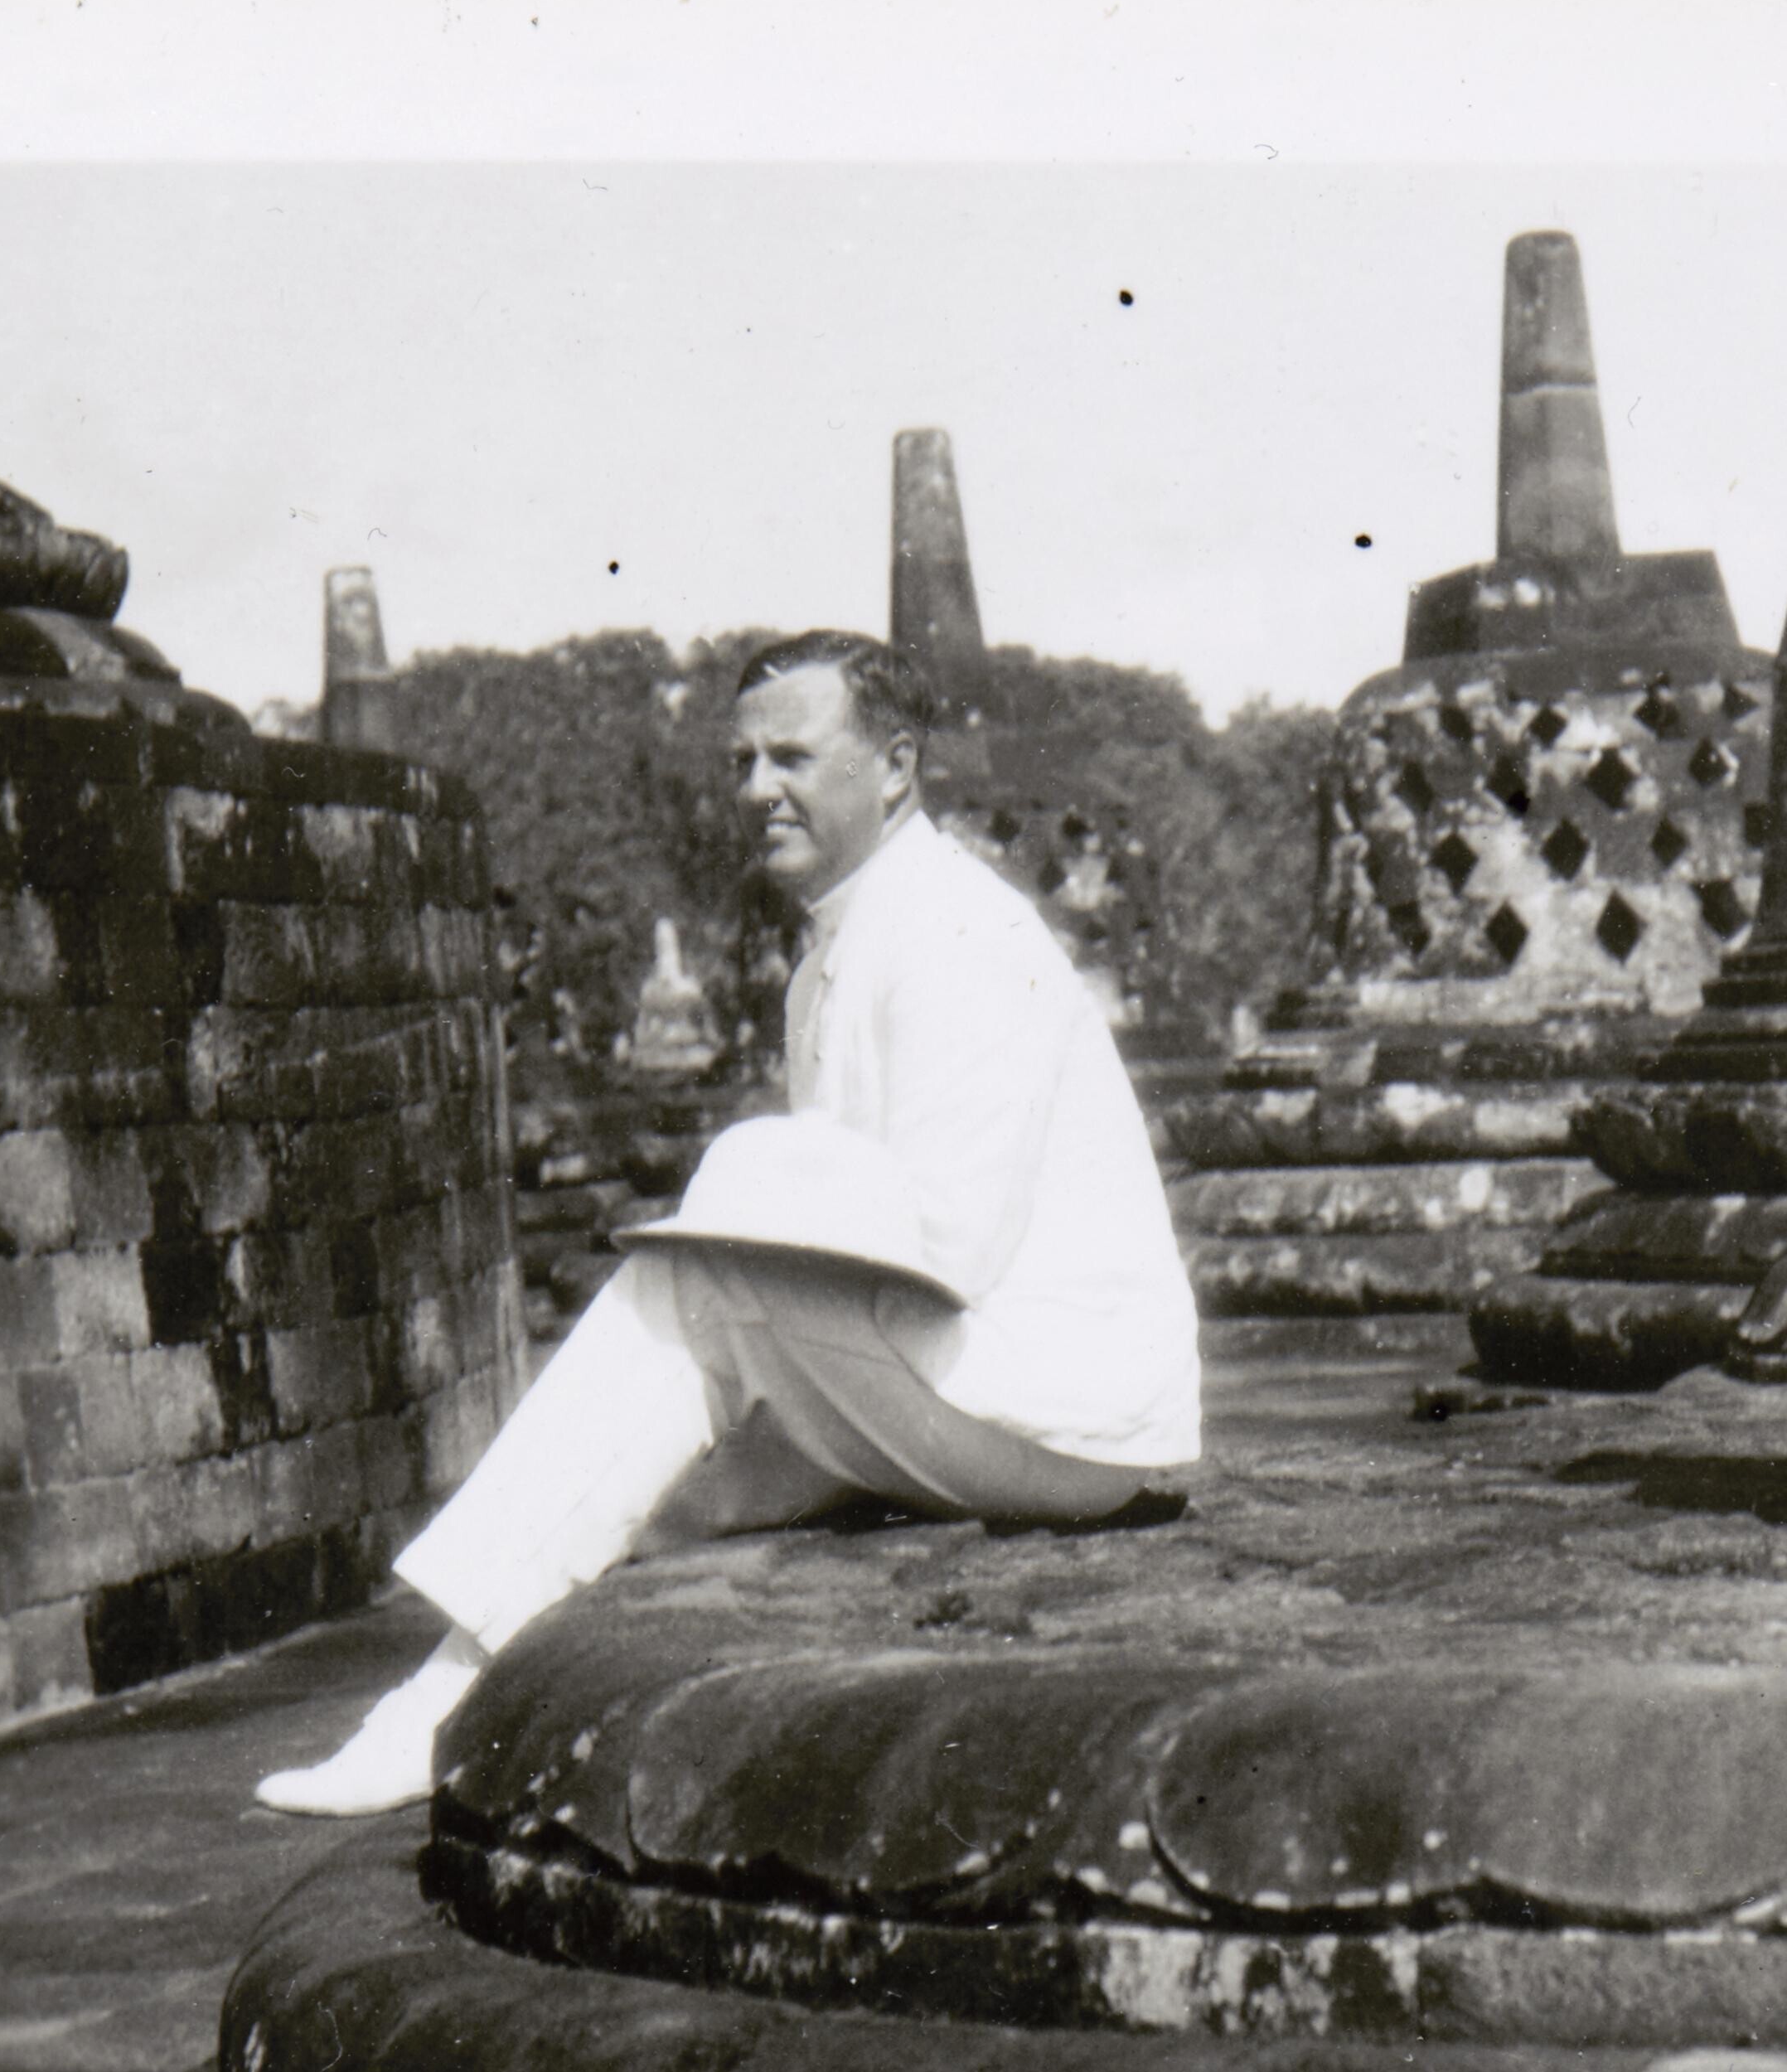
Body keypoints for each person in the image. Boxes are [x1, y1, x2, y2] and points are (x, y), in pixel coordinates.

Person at [256, 630, 1202, 1812]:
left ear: (896, 767)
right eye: (743, 762)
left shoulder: (960, 934)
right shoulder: (839, 952)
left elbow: (949, 1249)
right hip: (980, 1387)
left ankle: (445, 1692)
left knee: (706, 1277)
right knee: (660, 1467)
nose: (757, 789)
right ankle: (489, 1651)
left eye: (792, 758)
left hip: (1071, 1415)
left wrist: (757, 1196)